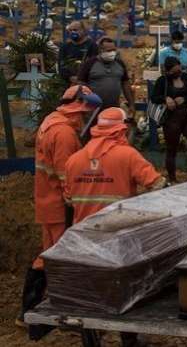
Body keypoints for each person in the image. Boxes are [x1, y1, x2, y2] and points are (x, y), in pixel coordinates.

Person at [18, 85, 102, 327]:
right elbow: (66, 173)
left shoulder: (50, 122)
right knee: (61, 256)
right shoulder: (64, 133)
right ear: (78, 109)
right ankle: (41, 310)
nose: (85, 120)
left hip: (47, 200)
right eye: (85, 114)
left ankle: (29, 310)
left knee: (49, 254)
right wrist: (74, 201)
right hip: (58, 202)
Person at [63, 107, 166, 225]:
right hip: (118, 230)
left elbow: (68, 200)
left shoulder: (73, 160)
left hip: (84, 232)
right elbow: (158, 184)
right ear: (123, 129)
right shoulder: (128, 155)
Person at [150, 57, 187, 183]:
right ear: (168, 71)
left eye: (179, 70)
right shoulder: (163, 81)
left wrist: (184, 99)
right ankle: (172, 178)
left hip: (186, 116)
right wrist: (165, 99)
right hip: (171, 119)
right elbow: (154, 97)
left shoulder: (185, 77)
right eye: (174, 71)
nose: (177, 73)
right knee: (172, 149)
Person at [77, 37, 136, 111]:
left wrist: (131, 104)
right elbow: (81, 84)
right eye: (109, 50)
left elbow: (125, 84)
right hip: (92, 108)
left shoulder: (119, 63)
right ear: (100, 50)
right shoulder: (90, 63)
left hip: (113, 108)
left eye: (114, 50)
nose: (112, 53)